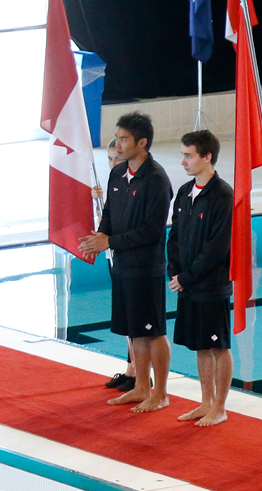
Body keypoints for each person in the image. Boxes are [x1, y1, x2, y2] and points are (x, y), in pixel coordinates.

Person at [78, 112, 173, 413]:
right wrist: (100, 237)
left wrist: (110, 242)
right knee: (135, 329)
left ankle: (161, 392)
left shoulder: (156, 180)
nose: (118, 145)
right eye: (117, 138)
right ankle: (141, 386)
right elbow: (109, 215)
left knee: (153, 330)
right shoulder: (118, 174)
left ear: (142, 143)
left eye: (124, 139)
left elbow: (152, 231)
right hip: (123, 265)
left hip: (146, 267)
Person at [166, 130, 234, 427]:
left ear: (207, 157)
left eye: (189, 155)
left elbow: (218, 247)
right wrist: (175, 272)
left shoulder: (223, 195)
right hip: (188, 285)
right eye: (183, 155)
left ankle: (220, 407)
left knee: (218, 347)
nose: (183, 161)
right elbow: (175, 235)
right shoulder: (184, 192)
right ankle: (205, 401)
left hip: (211, 286)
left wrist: (188, 277)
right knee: (200, 345)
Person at [95, 141, 136, 393]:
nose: (113, 164)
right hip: (118, 258)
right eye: (110, 159)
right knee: (126, 318)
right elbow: (107, 222)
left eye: (117, 160)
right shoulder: (115, 183)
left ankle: (140, 373)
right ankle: (132, 369)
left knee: (136, 320)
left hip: (133, 261)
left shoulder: (138, 185)